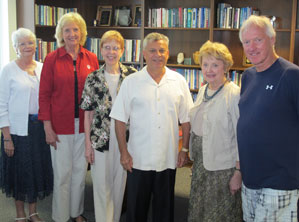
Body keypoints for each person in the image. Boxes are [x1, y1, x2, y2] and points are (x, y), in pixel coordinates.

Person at [110, 32, 193, 222]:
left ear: (168, 53)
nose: (158, 55)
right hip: (138, 159)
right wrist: (124, 152)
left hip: (167, 158)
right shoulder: (131, 82)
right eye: (153, 50)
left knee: (164, 211)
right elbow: (119, 120)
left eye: (162, 50)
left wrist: (185, 149)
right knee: (136, 210)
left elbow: (186, 119)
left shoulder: (178, 81)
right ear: (144, 54)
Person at [237, 15, 299, 221]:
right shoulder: (247, 76)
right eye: (246, 42)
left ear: (272, 40)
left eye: (258, 40)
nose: (251, 47)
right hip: (250, 180)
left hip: (279, 182)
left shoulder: (291, 75)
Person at [38, 12, 99, 222]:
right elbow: (44, 95)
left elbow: (96, 94)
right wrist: (47, 127)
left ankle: (76, 212)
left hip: (85, 126)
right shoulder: (51, 59)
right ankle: (61, 216)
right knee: (63, 175)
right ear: (61, 34)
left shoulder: (91, 58)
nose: (72, 34)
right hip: (59, 126)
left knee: (80, 173)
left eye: (75, 29)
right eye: (67, 30)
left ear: (81, 33)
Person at [80, 30, 137, 222]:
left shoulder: (132, 76)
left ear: (122, 50)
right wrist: (87, 145)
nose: (111, 52)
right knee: (102, 186)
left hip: (125, 141)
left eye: (115, 48)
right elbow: (87, 115)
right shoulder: (92, 78)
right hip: (100, 140)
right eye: (107, 47)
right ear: (101, 50)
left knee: (119, 185)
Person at [0, 28, 53, 222]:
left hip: (39, 129)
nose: (27, 46)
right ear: (15, 47)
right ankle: (20, 213)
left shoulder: (42, 67)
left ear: (35, 45)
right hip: (16, 131)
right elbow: (1, 105)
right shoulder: (8, 70)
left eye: (30, 42)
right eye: (22, 43)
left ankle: (33, 211)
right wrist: (7, 137)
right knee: (19, 172)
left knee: (36, 170)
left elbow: (48, 98)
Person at [187, 40, 242, 222]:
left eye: (215, 65)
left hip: (223, 170)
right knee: (199, 212)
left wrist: (238, 173)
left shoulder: (233, 94)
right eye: (205, 64)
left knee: (220, 216)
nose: (209, 70)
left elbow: (241, 137)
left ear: (225, 67)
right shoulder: (203, 90)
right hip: (202, 165)